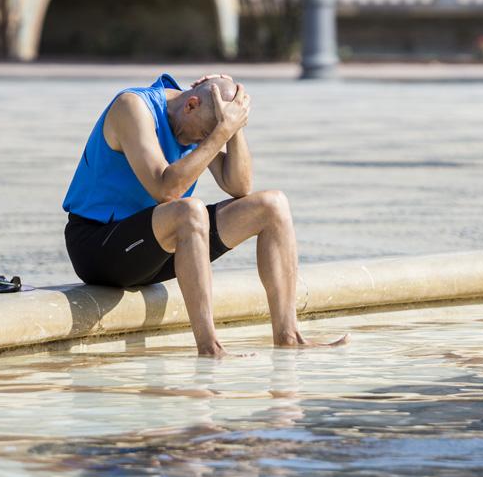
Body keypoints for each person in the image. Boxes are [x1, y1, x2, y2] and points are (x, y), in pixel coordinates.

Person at [62, 73, 349, 358]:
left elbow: (239, 186)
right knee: (190, 210)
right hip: (99, 247)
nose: (202, 142)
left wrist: (234, 125)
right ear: (190, 104)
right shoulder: (132, 108)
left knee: (273, 205)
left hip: (155, 247)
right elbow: (166, 189)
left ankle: (288, 336)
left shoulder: (195, 119)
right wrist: (220, 132)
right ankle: (209, 347)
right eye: (203, 135)